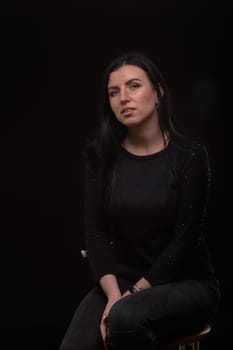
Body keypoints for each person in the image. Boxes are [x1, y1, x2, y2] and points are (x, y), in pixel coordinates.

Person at [59, 51, 220, 350]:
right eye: (113, 92)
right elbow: (96, 235)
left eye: (133, 86)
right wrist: (113, 296)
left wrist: (131, 296)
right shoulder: (100, 159)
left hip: (185, 283)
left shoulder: (190, 156)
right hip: (118, 285)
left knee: (125, 320)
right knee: (76, 345)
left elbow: (185, 241)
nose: (123, 97)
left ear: (158, 92)